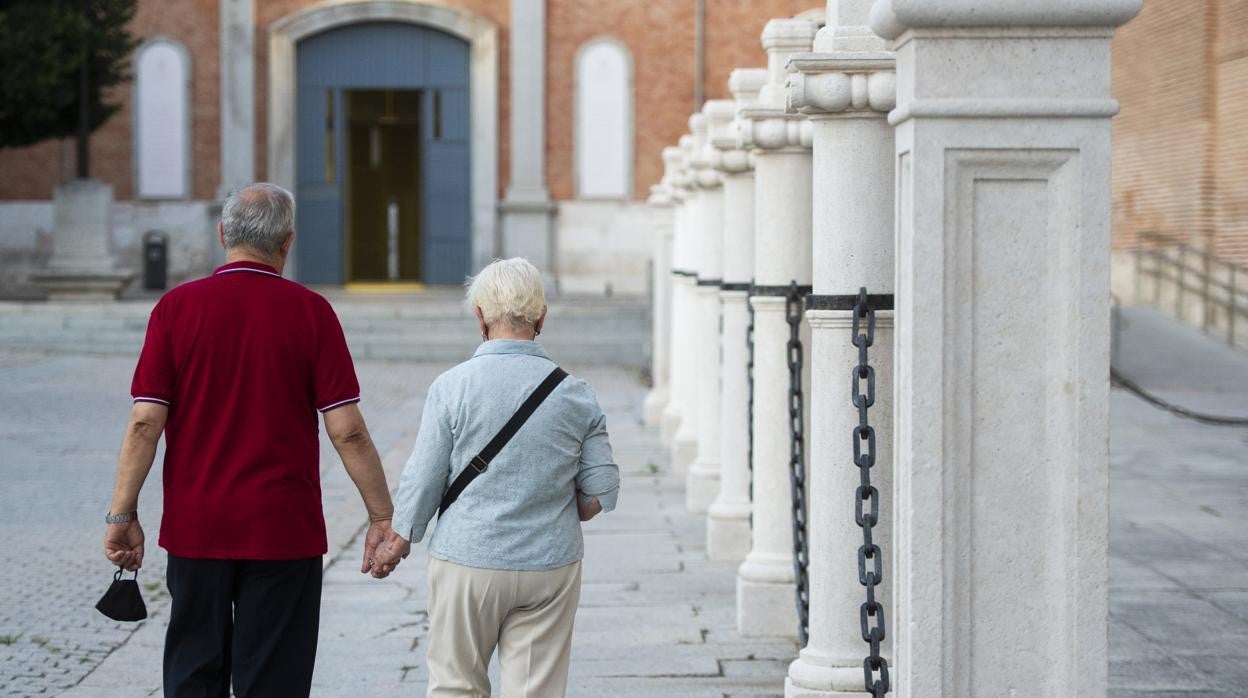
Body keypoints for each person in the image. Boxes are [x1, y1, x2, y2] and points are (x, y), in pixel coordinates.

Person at [101, 183, 399, 697]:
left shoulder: (175, 309)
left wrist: (122, 515)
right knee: (275, 680)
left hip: (198, 526)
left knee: (194, 672)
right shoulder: (312, 312)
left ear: (222, 235)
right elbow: (346, 429)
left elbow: (144, 423)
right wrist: (380, 516)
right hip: (283, 529)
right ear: (287, 243)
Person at [371, 257, 621, 697]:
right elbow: (601, 491)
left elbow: (424, 477)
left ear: (480, 316)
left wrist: (400, 538)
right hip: (550, 564)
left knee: (456, 686)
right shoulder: (577, 393)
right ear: (541, 317)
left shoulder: (452, 386)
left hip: (468, 561)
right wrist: (566, 507)